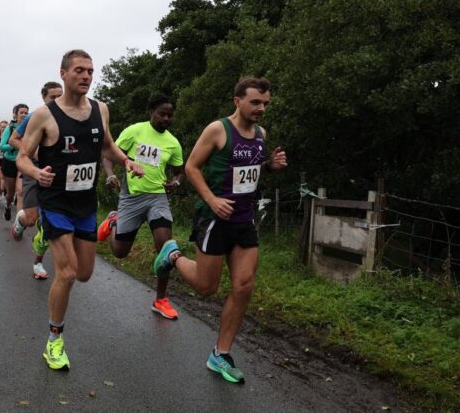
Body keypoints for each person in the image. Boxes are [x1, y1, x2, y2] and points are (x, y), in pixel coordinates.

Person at [152, 77, 287, 384]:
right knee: (205, 287)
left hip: (244, 218)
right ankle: (172, 255)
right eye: (255, 102)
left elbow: (248, 171)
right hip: (214, 218)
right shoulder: (218, 130)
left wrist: (271, 167)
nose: (261, 109)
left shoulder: (261, 134)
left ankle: (220, 354)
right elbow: (191, 167)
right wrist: (212, 200)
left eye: (265, 103)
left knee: (244, 285)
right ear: (237, 101)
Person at [17, 50, 144, 370]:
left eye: (90, 71)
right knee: (69, 272)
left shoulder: (101, 109)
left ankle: (58, 235)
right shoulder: (43, 115)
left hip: (85, 203)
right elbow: (22, 157)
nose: (86, 76)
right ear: (63, 74)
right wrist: (36, 173)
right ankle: (54, 341)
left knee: (85, 273)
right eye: (79, 71)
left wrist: (126, 160)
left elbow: (107, 146)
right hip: (56, 201)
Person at [97, 93, 185, 319]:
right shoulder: (134, 131)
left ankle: (161, 300)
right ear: (151, 112)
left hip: (157, 198)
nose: (166, 119)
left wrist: (175, 182)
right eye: (162, 114)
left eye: (169, 115)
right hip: (131, 198)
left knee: (165, 247)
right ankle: (114, 220)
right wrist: (109, 175)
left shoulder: (173, 143)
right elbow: (108, 154)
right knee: (119, 252)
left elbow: (179, 172)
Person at [9, 81, 64, 280]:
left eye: (60, 96)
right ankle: (21, 220)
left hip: (58, 177)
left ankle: (38, 262)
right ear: (43, 97)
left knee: (51, 221)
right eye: (53, 97)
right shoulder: (35, 116)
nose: (57, 101)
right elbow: (13, 139)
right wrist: (33, 150)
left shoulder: (70, 117)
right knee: (32, 219)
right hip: (34, 171)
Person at [0, 104, 29, 221]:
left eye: (26, 112)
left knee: (21, 192)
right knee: (10, 194)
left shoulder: (30, 127)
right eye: (21, 112)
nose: (24, 115)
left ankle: (18, 223)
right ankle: (7, 206)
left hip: (24, 162)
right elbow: (2, 147)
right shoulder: (10, 128)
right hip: (10, 162)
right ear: (15, 115)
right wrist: (16, 144)